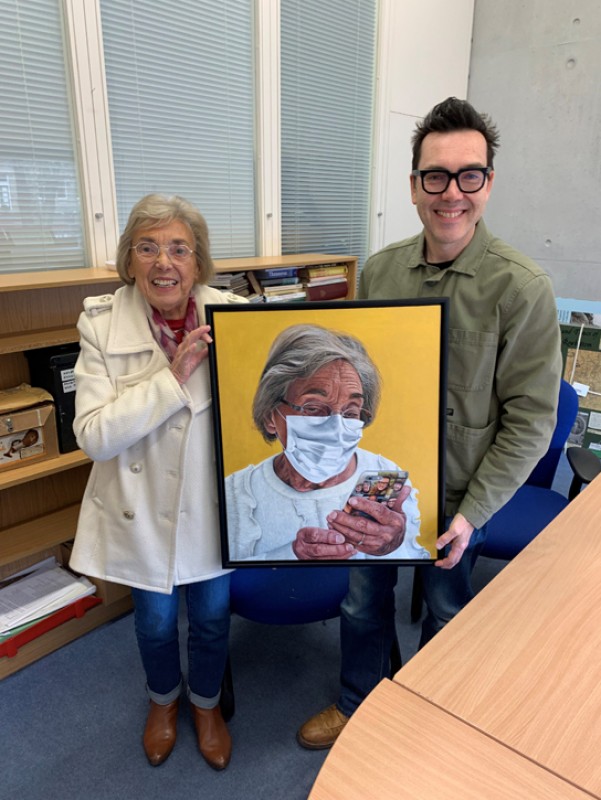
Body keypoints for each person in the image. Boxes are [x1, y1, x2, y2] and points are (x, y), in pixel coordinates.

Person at [297, 97, 563, 749]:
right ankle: (357, 704)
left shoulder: (521, 288)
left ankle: (430, 720)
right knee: (361, 603)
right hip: (378, 481)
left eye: (468, 175)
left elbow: (531, 418)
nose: (451, 193)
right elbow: (350, 377)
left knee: (447, 610)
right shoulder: (381, 270)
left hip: (462, 498)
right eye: (435, 176)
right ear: (413, 185)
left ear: (488, 183)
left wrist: (472, 514)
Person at [69, 193, 247, 769]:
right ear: (129, 260)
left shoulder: (235, 314)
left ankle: (205, 705)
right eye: (147, 248)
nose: (163, 262)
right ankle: (163, 702)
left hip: (212, 504)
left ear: (198, 263)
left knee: (215, 619)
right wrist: (171, 379)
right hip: (139, 508)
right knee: (154, 621)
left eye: (178, 249)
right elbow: (93, 434)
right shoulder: (100, 324)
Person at [225, 324, 431, 562]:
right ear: (270, 416)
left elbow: (410, 563)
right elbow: (224, 578)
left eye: (350, 413)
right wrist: (292, 556)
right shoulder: (238, 493)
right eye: (313, 409)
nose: (335, 429)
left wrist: (392, 545)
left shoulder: (382, 476)